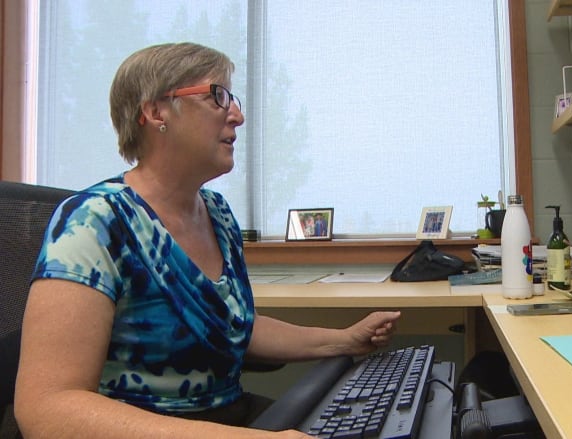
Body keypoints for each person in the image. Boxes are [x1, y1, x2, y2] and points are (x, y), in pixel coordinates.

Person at [14, 42, 401, 439]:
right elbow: (47, 408)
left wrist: (342, 341)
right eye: (218, 96)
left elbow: (233, 327)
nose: (238, 115)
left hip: (232, 420)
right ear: (156, 112)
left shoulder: (216, 212)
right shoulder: (95, 222)